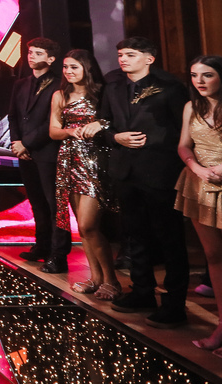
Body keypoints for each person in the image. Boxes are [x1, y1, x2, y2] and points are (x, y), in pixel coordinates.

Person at [95, 36, 190, 327]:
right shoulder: (113, 87)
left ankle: (174, 304)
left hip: (161, 171)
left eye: (131, 54)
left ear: (149, 58)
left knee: (169, 238)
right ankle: (142, 291)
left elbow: (185, 130)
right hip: (125, 170)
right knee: (134, 235)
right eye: (121, 55)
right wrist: (116, 138)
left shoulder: (170, 87)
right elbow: (103, 125)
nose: (123, 59)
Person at [49, 50, 120, 301]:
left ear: (86, 69)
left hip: (96, 161)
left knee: (90, 224)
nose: (68, 72)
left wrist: (99, 126)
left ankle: (112, 281)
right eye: (65, 67)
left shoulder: (102, 92)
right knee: (82, 227)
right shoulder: (60, 95)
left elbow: (113, 121)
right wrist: (71, 131)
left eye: (74, 67)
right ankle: (96, 278)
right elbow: (53, 131)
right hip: (69, 162)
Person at [9, 37, 70, 273]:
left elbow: (51, 122)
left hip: (48, 152)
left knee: (55, 205)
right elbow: (14, 116)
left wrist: (27, 143)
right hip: (25, 153)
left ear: (51, 59)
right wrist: (17, 144)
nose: (31, 56)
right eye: (30, 52)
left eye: (38, 53)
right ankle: (41, 246)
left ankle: (58, 254)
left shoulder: (59, 84)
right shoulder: (21, 84)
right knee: (36, 202)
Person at [175, 55, 222, 349]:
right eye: (194, 75)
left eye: (207, 75)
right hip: (199, 182)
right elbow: (183, 145)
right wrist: (196, 167)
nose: (199, 81)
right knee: (214, 256)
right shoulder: (191, 106)